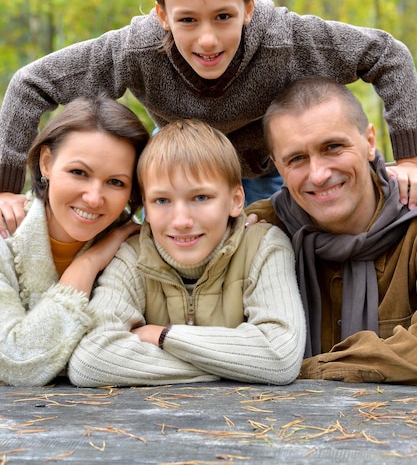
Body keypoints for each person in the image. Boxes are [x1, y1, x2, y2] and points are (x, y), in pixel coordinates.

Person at [2, 0, 417, 236]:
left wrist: (410, 157)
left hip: (264, 167)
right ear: (163, 16)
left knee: (275, 253)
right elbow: (32, 83)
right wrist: (5, 189)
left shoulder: (285, 39)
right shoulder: (135, 51)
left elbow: (386, 55)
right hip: (183, 162)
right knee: (168, 248)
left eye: (223, 17)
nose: (207, 40)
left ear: (247, 9)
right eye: (187, 20)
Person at [68, 119, 305, 387]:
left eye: (200, 198)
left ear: (236, 200)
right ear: (144, 205)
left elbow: (280, 357)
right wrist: (238, 364)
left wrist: (164, 336)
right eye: (162, 200)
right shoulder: (133, 257)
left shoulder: (263, 246)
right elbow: (91, 361)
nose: (181, 221)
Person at [246, 76, 417, 384]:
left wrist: (306, 370)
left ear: (369, 142)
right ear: (277, 167)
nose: (319, 174)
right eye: (297, 158)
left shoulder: (413, 223)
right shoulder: (259, 230)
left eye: (333, 147)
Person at [0, 95, 149, 387]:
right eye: (79, 173)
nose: (94, 198)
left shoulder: (138, 249)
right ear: (47, 163)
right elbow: (17, 364)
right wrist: (89, 263)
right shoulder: (6, 236)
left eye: (116, 182)